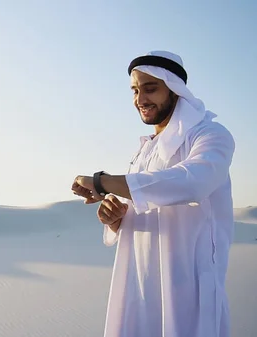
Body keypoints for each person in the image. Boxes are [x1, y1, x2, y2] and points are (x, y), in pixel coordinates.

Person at [71, 50, 235, 337]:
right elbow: (139, 201)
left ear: (174, 89)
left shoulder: (210, 135)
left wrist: (103, 182)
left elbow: (193, 182)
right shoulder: (145, 149)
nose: (140, 99)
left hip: (188, 288)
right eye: (135, 90)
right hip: (139, 285)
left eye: (150, 88)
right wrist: (114, 219)